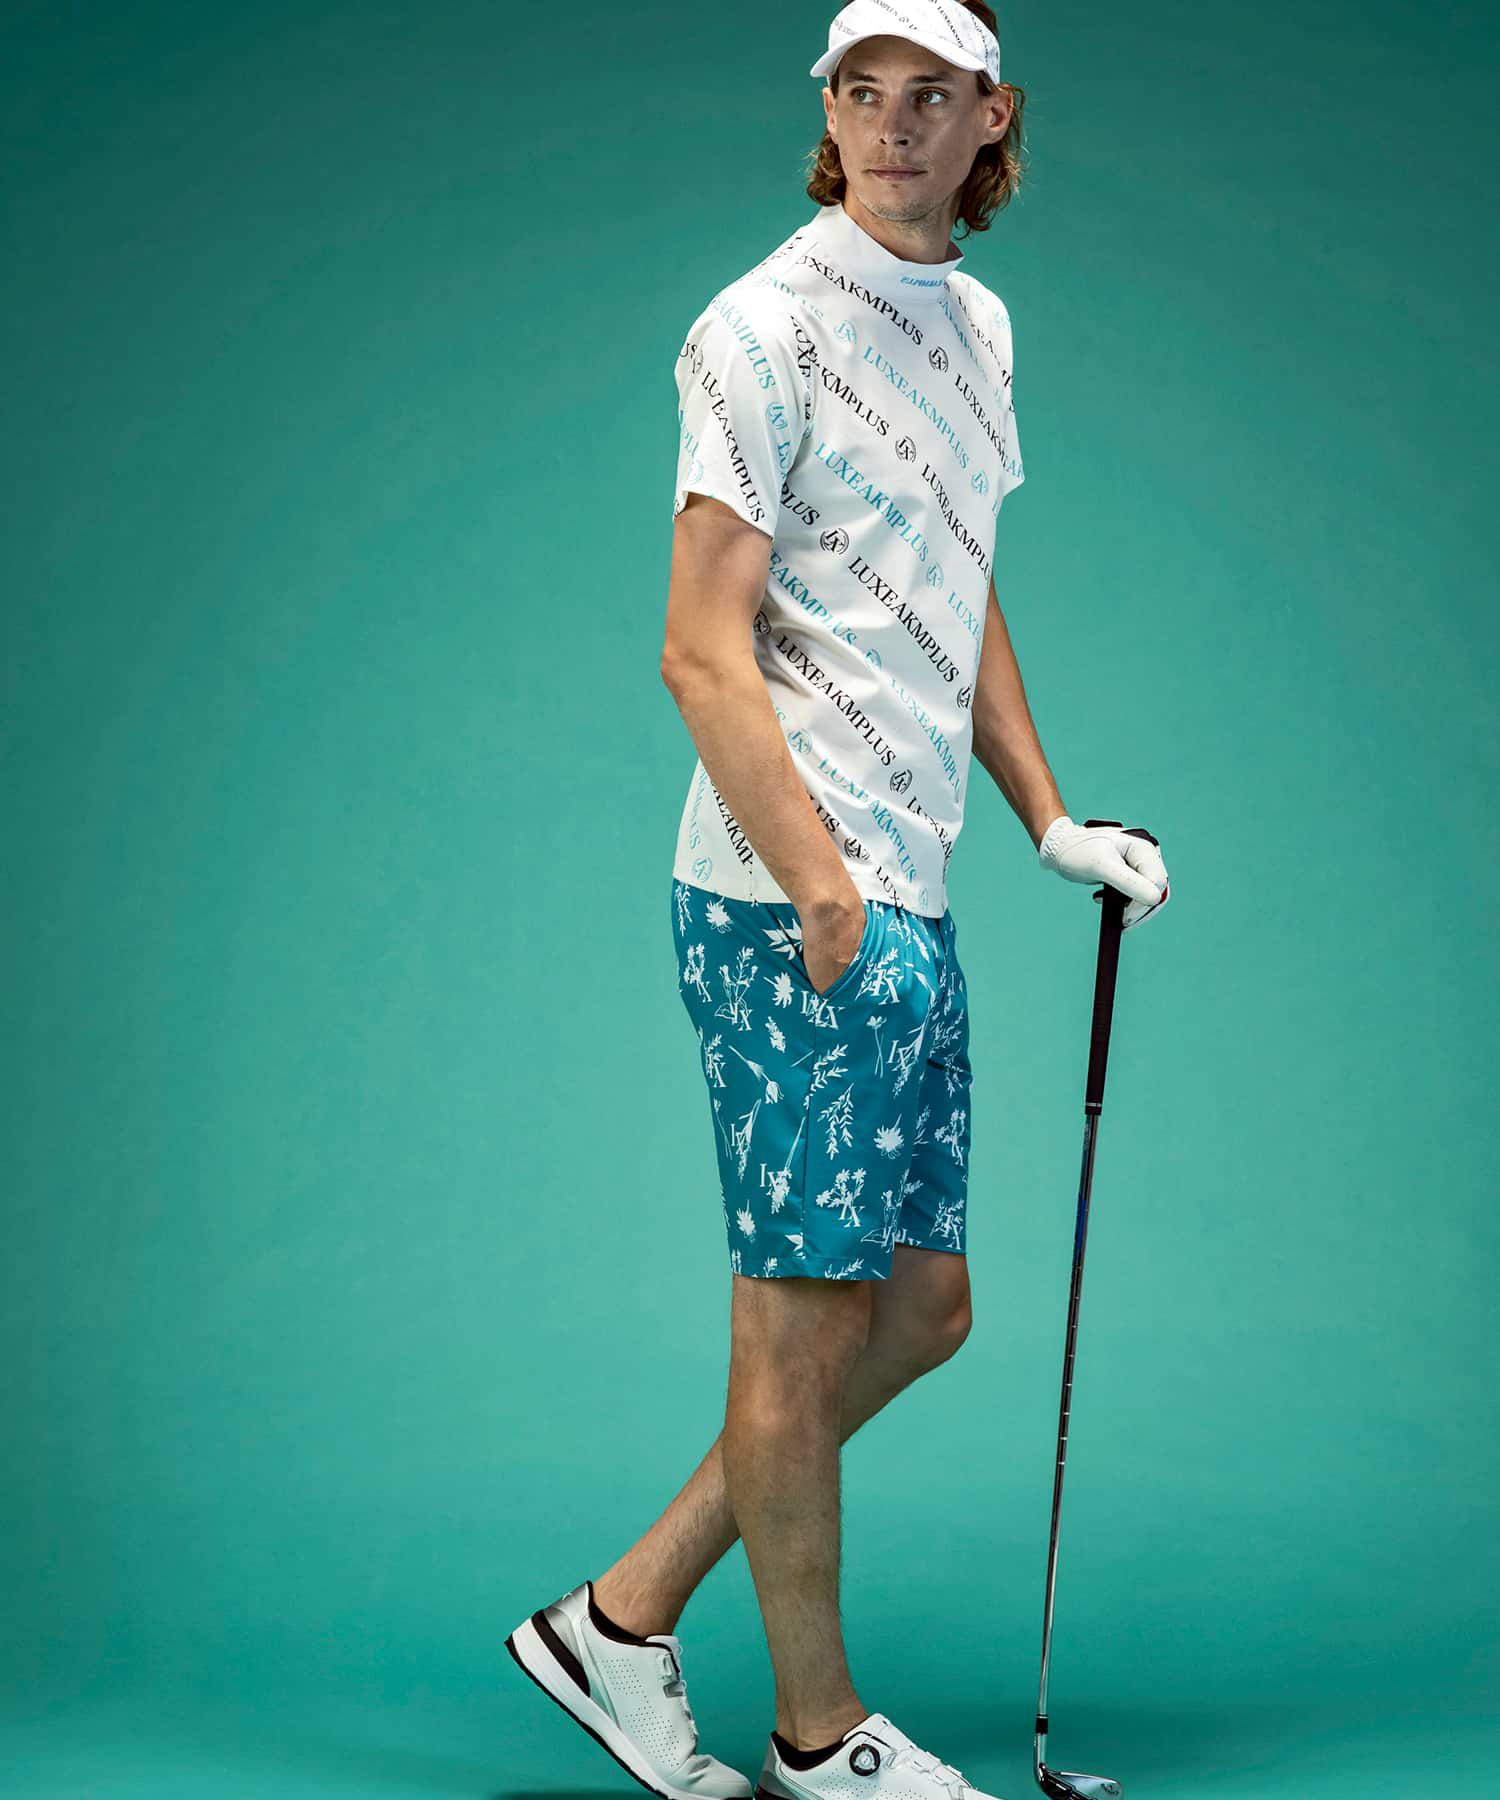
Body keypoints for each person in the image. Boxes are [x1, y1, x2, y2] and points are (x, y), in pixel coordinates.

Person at [506, 1, 1170, 1795]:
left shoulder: (979, 326)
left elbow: (956, 576)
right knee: (793, 1332)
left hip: (909, 889)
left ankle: (618, 1621)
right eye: (861, 93)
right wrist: (819, 889)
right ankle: (821, 1737)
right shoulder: (758, 329)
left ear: (989, 119)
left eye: (927, 96)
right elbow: (695, 647)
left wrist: (1046, 821)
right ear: (832, 112)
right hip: (787, 895)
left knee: (923, 1307)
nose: (890, 125)